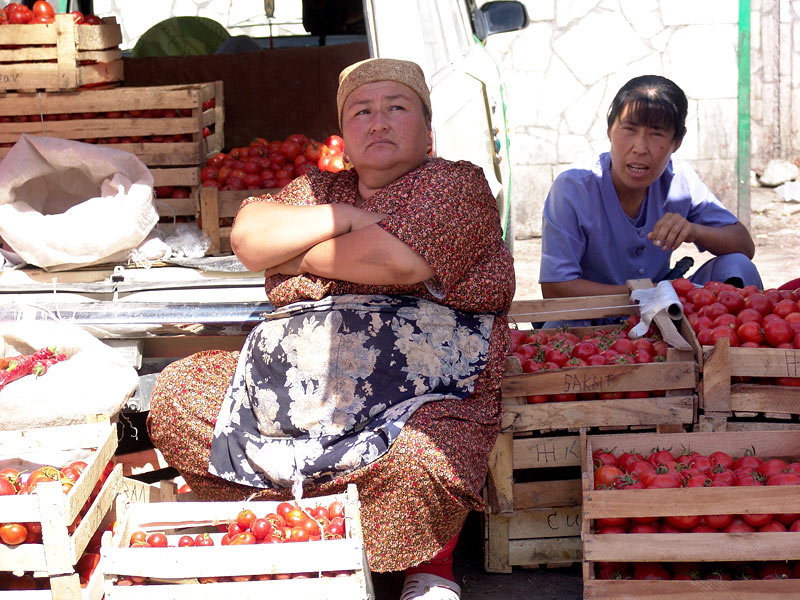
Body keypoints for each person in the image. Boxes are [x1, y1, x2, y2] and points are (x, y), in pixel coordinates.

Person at [147, 57, 514, 600]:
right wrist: (342, 220)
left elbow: (394, 262)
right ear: (344, 134)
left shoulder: (455, 185)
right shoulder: (319, 189)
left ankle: (429, 568)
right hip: (294, 389)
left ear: (428, 130)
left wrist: (296, 258)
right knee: (179, 394)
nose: (379, 122)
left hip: (413, 396)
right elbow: (249, 240)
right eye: (362, 111)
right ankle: (291, 541)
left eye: (397, 108)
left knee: (426, 452)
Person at [539, 74, 762, 299]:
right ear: (609, 129)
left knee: (737, 266)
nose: (640, 147)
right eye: (629, 129)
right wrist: (650, 293)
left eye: (656, 133)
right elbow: (555, 287)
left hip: (664, 306)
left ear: (677, 140)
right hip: (593, 313)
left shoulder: (679, 178)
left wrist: (694, 231)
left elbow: (744, 245)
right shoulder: (572, 189)